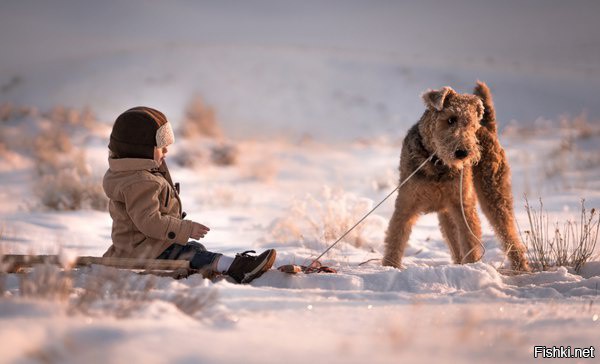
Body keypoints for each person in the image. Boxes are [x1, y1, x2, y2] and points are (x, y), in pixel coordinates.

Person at [102, 106, 276, 283]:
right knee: (191, 252)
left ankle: (203, 268)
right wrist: (186, 228)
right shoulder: (140, 182)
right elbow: (149, 221)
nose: (166, 152)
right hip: (144, 250)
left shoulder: (135, 174)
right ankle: (239, 268)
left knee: (194, 248)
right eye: (161, 148)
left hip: (143, 245)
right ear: (141, 150)